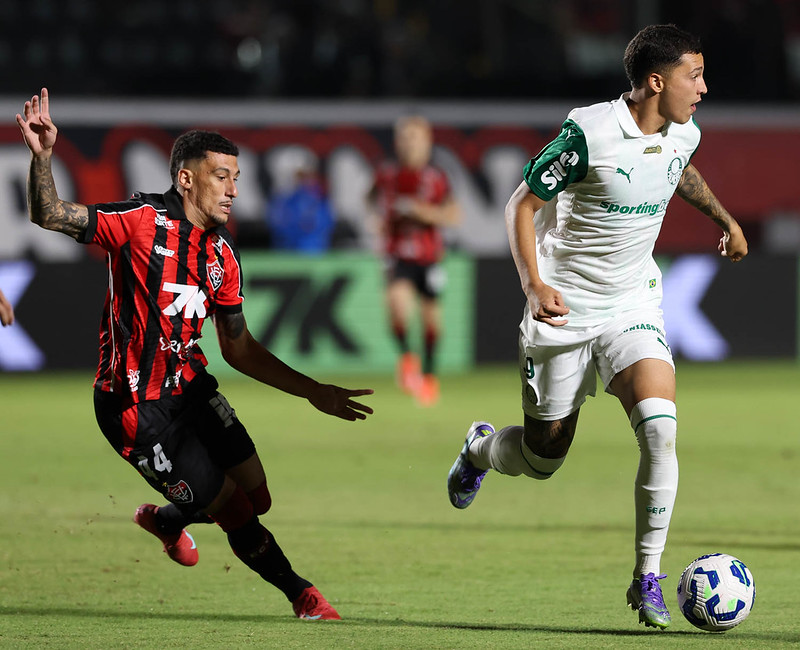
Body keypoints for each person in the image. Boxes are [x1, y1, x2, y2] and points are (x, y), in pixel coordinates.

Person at [17, 88, 373, 621]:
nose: (233, 190)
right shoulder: (137, 221)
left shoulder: (222, 255)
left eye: (236, 177)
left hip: (189, 388)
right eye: (221, 176)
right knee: (234, 510)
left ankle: (167, 519)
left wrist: (312, 391)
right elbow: (48, 214)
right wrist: (42, 157)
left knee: (259, 497)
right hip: (134, 409)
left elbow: (239, 347)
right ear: (186, 178)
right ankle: (303, 595)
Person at [446, 25, 747, 630]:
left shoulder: (683, 129)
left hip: (633, 303)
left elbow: (678, 168)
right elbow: (521, 206)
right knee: (542, 458)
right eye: (696, 75)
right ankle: (480, 450)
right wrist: (534, 284)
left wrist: (725, 217)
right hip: (564, 309)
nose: (704, 88)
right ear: (656, 81)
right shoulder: (589, 133)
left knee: (661, 431)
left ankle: (648, 575)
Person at [366, 115, 460, 406]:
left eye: (414, 138)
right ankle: (407, 358)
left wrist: (423, 212)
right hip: (397, 254)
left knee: (432, 322)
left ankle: (429, 377)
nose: (409, 144)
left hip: (429, 257)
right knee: (397, 306)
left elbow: (453, 215)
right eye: (404, 138)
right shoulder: (387, 174)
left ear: (427, 142)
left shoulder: (436, 178)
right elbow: (369, 198)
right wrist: (375, 221)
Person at [266, 150, 335, 254]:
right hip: (287, 257)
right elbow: (280, 229)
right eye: (300, 175)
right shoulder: (281, 202)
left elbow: (325, 224)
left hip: (316, 254)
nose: (306, 180)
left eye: (307, 175)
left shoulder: (317, 199)